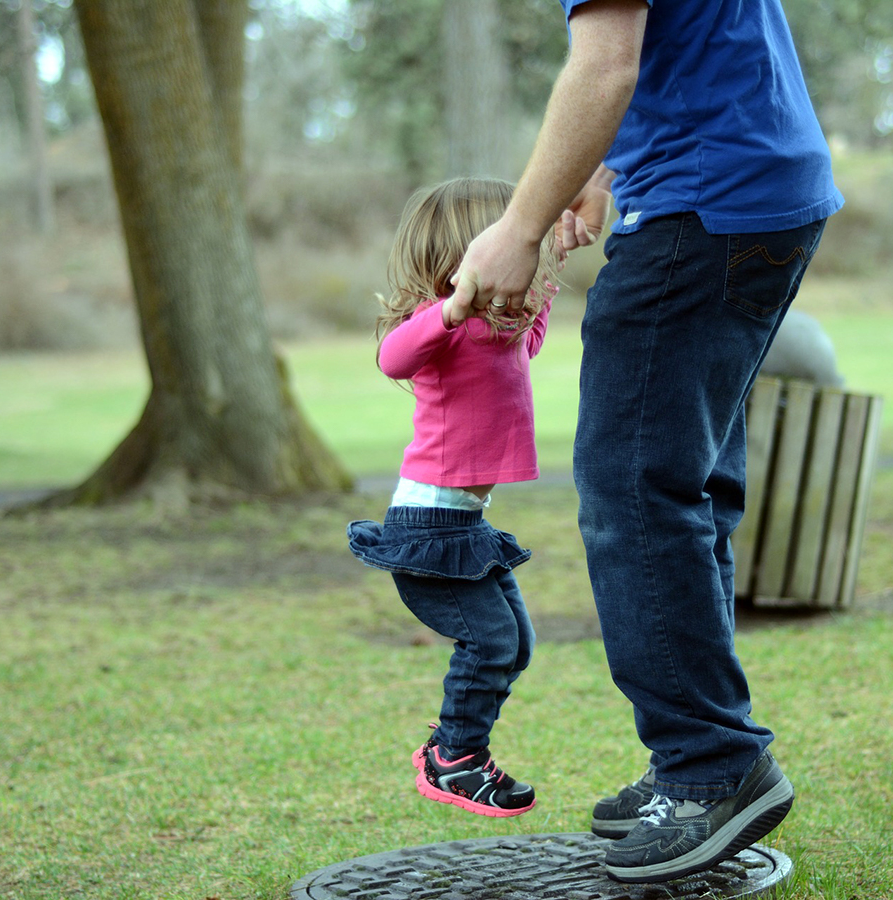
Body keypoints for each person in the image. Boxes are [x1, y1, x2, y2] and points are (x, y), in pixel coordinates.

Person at [442, 0, 844, 884]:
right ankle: (695, 763)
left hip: (704, 206)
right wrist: (609, 163)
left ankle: (711, 765)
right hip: (759, 189)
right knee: (686, 484)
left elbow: (606, 65)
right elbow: (686, 49)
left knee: (634, 489)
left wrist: (518, 227)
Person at [346, 177, 557, 818]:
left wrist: (552, 265)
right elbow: (390, 358)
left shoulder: (497, 334)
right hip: (427, 527)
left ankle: (455, 748)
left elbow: (530, 341)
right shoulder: (437, 329)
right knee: (491, 644)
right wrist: (452, 306)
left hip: (462, 525)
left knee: (515, 644)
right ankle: (456, 759)